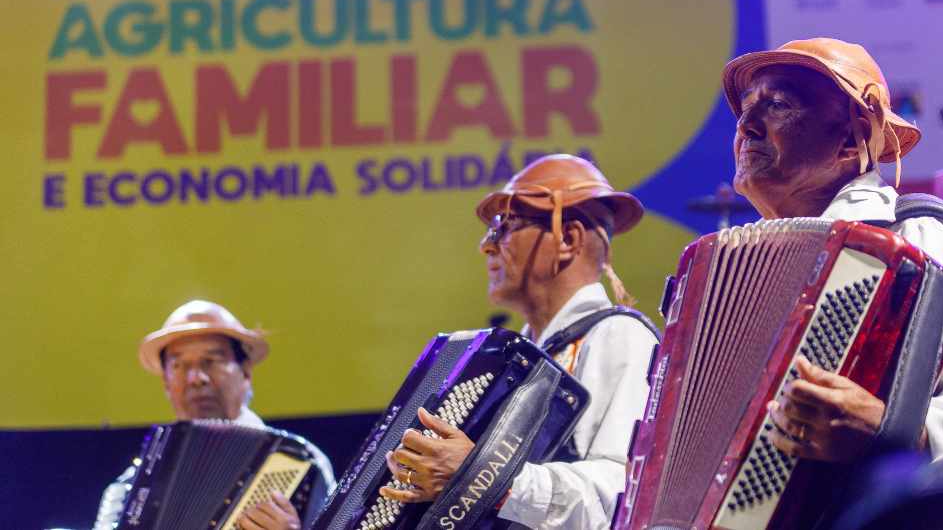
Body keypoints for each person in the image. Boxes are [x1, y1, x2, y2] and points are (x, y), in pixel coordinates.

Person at [720, 36, 943, 463]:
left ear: (854, 136)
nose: (745, 124)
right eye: (746, 107)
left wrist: (892, 433)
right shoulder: (736, 270)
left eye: (778, 105)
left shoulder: (920, 238)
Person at [379, 154, 660, 529]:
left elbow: (627, 496)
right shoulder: (515, 362)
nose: (487, 244)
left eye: (505, 225)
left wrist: (483, 479)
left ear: (568, 239)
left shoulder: (619, 337)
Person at [93, 300, 335, 530]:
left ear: (246, 372)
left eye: (212, 361)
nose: (196, 378)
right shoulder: (130, 488)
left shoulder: (301, 461)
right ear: (165, 382)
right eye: (179, 366)